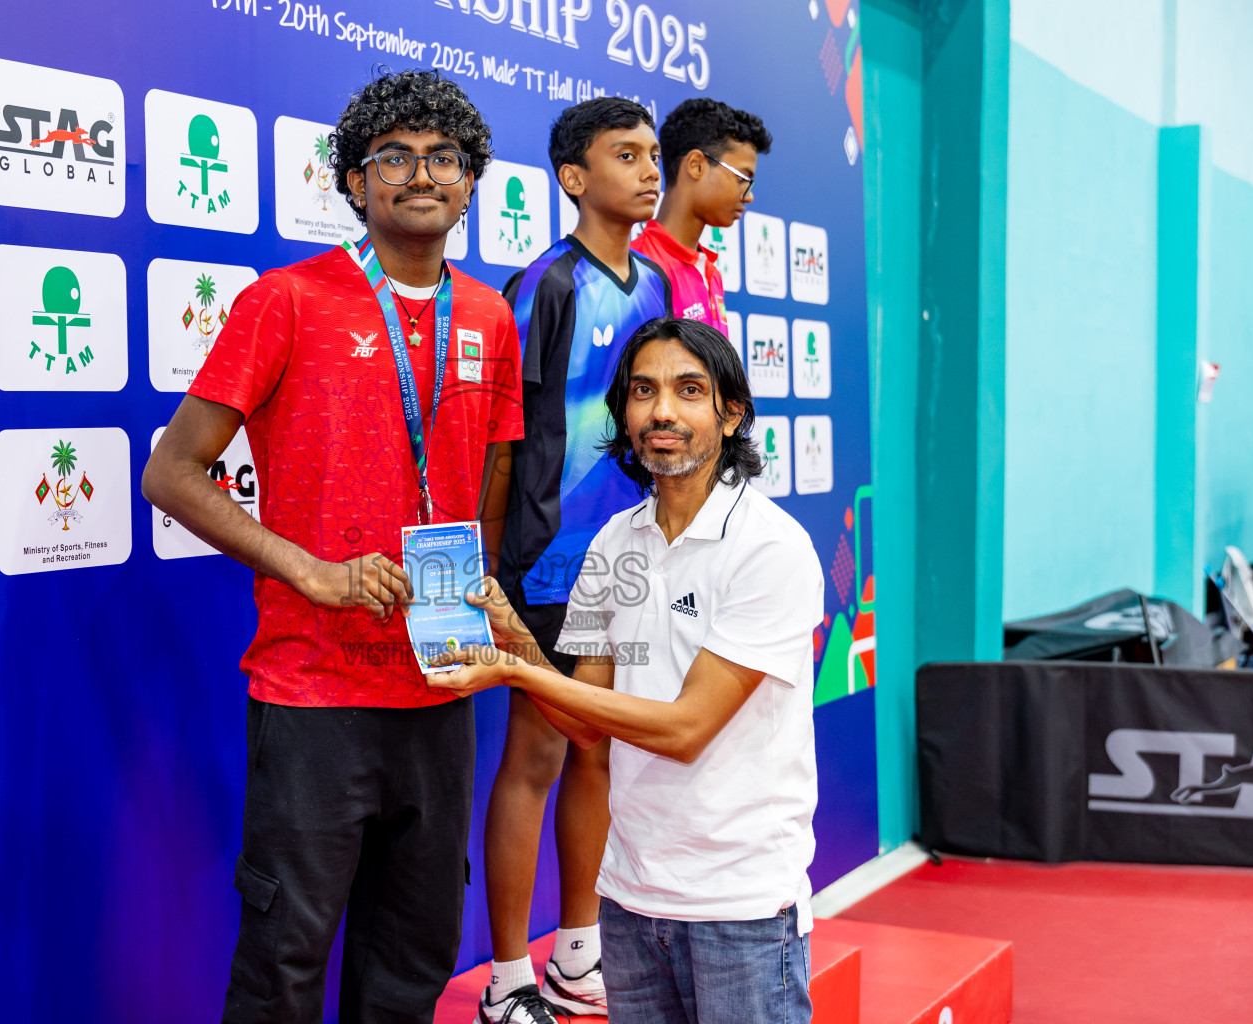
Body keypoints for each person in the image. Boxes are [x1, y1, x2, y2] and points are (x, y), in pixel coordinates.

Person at [142, 70, 522, 1024]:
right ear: (355, 184)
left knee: (414, 955)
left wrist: (482, 589)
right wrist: (310, 569)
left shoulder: (490, 316)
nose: (420, 174)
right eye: (393, 157)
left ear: (472, 181)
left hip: (441, 681)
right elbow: (172, 472)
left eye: (444, 157)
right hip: (313, 691)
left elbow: (492, 472)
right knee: (285, 959)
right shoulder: (287, 301)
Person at [431, 317, 823, 1024]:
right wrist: (515, 636)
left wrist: (519, 672)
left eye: (688, 390)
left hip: (741, 910)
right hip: (631, 902)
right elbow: (586, 723)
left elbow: (684, 730)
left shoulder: (772, 548)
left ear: (731, 414)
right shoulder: (616, 543)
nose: (662, 410)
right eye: (643, 391)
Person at [476, 97, 672, 1024]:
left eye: (652, 155)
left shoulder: (657, 288)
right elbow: (498, 439)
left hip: (627, 559)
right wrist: (484, 569)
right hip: (546, 564)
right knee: (537, 752)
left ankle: (578, 954)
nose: (647, 170)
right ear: (572, 178)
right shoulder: (545, 284)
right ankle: (508, 977)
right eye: (623, 154)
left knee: (601, 748)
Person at [631, 98, 771, 333]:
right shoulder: (640, 268)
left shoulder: (710, 272)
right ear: (696, 166)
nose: (748, 197)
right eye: (742, 179)